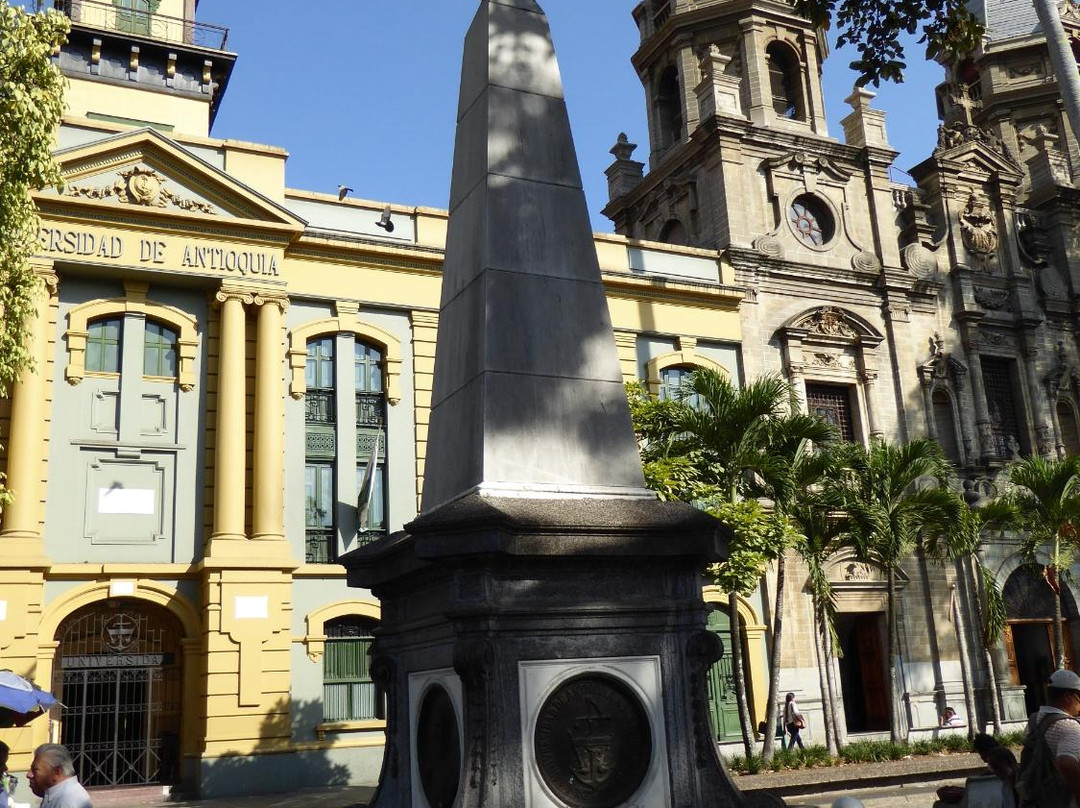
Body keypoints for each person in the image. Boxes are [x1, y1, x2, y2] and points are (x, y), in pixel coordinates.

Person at [1016, 668, 1080, 807]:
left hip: (1037, 798)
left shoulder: (1034, 720)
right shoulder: (1069, 726)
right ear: (1067, 696)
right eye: (1079, 696)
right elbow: (1066, 763)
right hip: (1062, 801)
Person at [26, 745, 91, 808]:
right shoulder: (59, 795)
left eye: (35, 770)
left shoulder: (66, 800)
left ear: (56, 772)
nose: (28, 775)